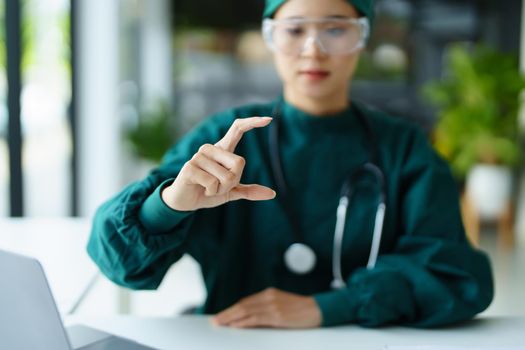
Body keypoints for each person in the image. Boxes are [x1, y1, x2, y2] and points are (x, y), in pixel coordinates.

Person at [87, 0, 494, 329]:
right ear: (271, 38)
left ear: (361, 37)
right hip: (234, 341)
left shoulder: (405, 149)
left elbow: (457, 277)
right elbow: (116, 262)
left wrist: (331, 307)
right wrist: (169, 205)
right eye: (295, 30)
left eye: (335, 29)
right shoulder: (227, 139)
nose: (313, 49)